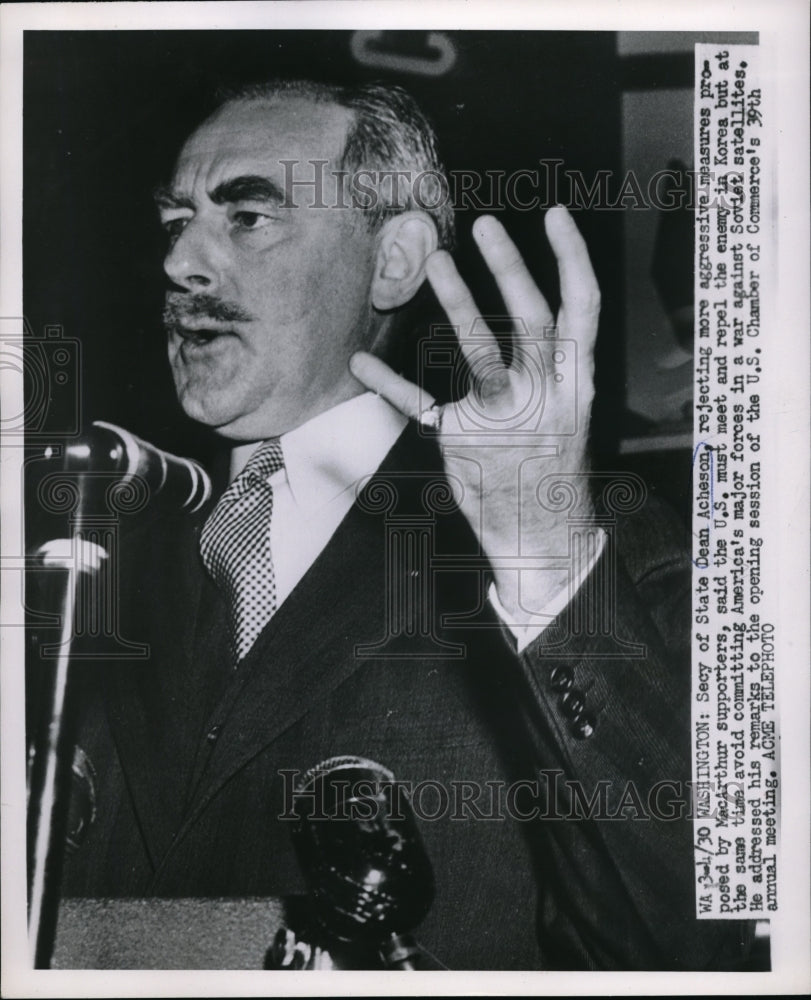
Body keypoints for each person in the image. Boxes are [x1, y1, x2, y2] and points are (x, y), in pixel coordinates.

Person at [53, 79, 752, 970]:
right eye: (173, 221)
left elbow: (699, 946)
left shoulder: (589, 548)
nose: (180, 262)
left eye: (247, 217)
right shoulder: (87, 553)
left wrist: (542, 562)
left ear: (393, 260)